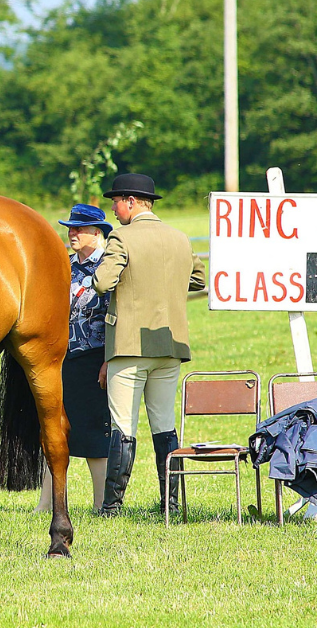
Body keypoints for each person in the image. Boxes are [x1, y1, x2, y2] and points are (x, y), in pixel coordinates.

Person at [93, 174, 206, 516]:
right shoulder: (180, 238)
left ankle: (112, 506)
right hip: (170, 346)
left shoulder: (121, 237)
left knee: (123, 426)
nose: (113, 209)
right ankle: (170, 503)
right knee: (164, 425)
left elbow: (101, 283)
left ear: (131, 201)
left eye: (116, 202)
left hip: (129, 345)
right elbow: (199, 279)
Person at [34, 204, 113, 513]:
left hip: (94, 357)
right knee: (52, 429)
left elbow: (116, 315)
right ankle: (46, 503)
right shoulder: (63, 265)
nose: (72, 233)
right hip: (59, 358)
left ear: (97, 233)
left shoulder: (109, 266)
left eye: (79, 228)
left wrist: (109, 359)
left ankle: (100, 503)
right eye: (70, 228)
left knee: (94, 430)